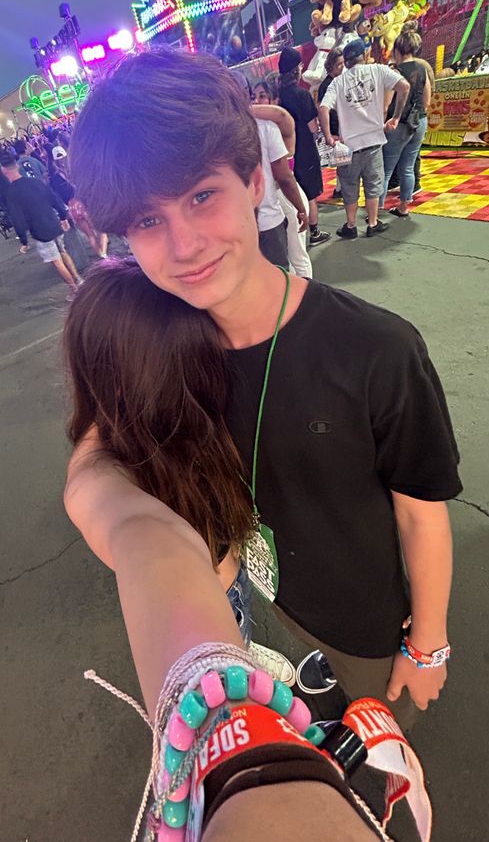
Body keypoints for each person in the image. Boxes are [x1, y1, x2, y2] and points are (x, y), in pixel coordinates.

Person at [69, 49, 461, 729]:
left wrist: (427, 643)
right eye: (147, 222)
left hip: (360, 628)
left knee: (369, 755)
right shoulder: (152, 338)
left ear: (254, 181)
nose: (184, 243)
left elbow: (421, 513)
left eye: (200, 196)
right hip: (249, 606)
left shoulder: (377, 349)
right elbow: (95, 451)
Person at [66, 440, 380, 841]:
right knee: (232, 624)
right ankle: (245, 668)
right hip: (210, 575)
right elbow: (147, 533)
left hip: (220, 564)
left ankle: (244, 661)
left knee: (236, 623)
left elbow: (138, 526)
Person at [65, 257, 294, 679]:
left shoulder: (172, 413)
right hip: (217, 591)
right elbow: (134, 529)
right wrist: (207, 692)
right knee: (235, 634)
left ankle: (244, 646)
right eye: (197, 357)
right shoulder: (97, 470)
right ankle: (240, 654)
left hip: (232, 560)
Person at [318, 38, 410, 239]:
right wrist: (395, 117)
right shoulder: (378, 70)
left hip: (347, 146)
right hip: (373, 142)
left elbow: (323, 108)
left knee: (349, 187)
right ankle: (373, 223)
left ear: (347, 62)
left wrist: (328, 137)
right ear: (365, 55)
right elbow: (404, 86)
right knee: (373, 184)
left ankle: (351, 226)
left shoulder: (338, 82)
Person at [0, 148, 81, 295]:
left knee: (56, 260)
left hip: (40, 231)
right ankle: (78, 279)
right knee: (63, 251)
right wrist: (63, 217)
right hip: (53, 222)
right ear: (17, 166)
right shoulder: (35, 182)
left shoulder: (11, 193)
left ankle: (74, 289)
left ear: (4, 171)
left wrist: (24, 241)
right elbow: (54, 199)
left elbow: (17, 218)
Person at [250, 100, 312, 279]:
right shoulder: (263, 127)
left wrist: (300, 209)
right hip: (267, 214)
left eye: (262, 96)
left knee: (295, 257)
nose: (257, 100)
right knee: (279, 274)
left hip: (277, 205)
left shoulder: (270, 126)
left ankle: (304, 299)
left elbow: (285, 178)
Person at [277, 47, 331, 248]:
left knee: (288, 192)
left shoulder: (276, 95)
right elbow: (312, 127)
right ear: (297, 69)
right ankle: (314, 232)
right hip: (304, 150)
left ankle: (291, 230)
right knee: (309, 193)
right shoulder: (302, 95)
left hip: (283, 152)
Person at [380, 30, 432, 218]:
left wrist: (383, 124)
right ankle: (403, 206)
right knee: (408, 166)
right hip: (419, 120)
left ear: (397, 50)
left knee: (386, 169)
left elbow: (386, 105)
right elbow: (427, 100)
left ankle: (376, 210)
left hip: (399, 123)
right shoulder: (422, 69)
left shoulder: (395, 72)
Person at [316, 49, 345, 201]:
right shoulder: (326, 85)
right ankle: (339, 188)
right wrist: (327, 131)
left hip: (341, 124)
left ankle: (340, 188)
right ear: (331, 65)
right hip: (333, 127)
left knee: (342, 160)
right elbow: (321, 108)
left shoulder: (340, 81)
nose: (342, 67)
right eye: (339, 64)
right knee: (337, 160)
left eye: (343, 64)